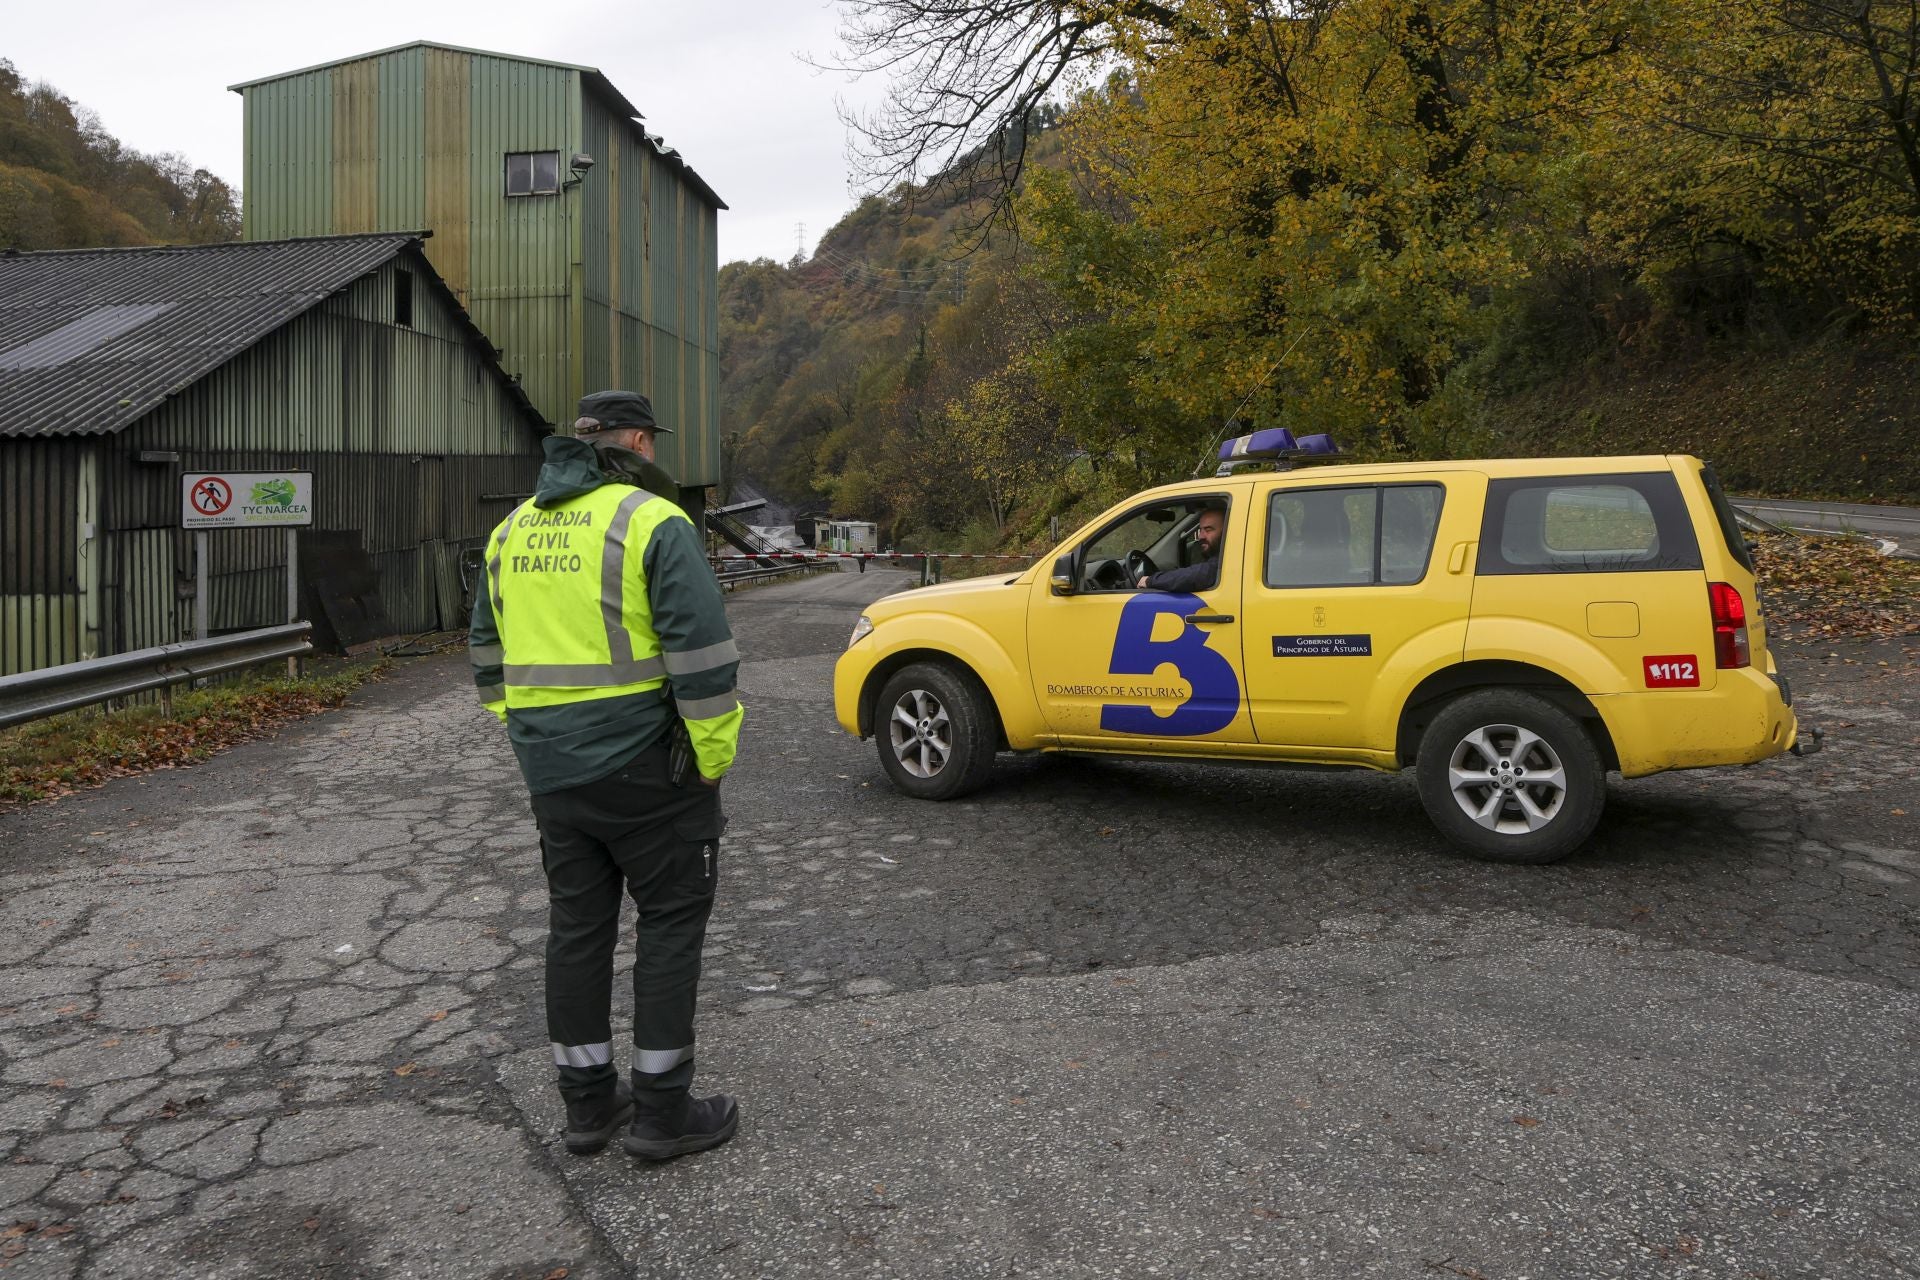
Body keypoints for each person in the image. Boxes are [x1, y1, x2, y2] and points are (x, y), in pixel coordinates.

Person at [469, 389, 745, 1162]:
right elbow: (703, 656)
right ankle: (662, 1112)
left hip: (552, 771)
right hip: (647, 767)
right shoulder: (652, 521)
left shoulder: (511, 529)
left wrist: (536, 736)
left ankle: (589, 1105)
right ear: (638, 443)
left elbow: (487, 657)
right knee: (670, 924)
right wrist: (712, 757)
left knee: (578, 929)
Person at [1135, 505, 1226, 592]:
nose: (1200, 536)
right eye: (1200, 530)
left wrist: (1150, 581)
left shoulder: (1227, 560)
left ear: (1226, 530)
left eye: (1208, 530)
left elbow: (1200, 574)